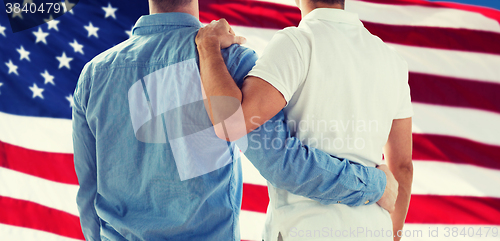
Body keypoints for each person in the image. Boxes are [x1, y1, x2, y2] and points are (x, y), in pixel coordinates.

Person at [72, 0, 397, 240]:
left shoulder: (94, 75)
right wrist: (375, 184)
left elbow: (88, 192)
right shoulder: (231, 61)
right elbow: (283, 163)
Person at [196, 0, 413, 240]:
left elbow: (232, 123)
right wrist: (393, 233)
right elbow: (402, 166)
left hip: (303, 228)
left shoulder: (298, 43)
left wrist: (208, 47)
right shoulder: (394, 63)